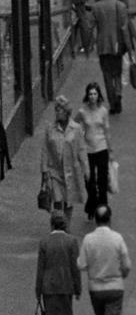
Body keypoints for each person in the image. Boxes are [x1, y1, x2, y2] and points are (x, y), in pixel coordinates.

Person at [77, 205, 130, 315]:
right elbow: (127, 266)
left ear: (96, 221)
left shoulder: (88, 239)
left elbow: (81, 265)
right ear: (110, 219)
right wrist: (122, 274)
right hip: (115, 288)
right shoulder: (117, 238)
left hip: (96, 289)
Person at [36, 210, 82, 315]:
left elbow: (40, 268)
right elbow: (75, 267)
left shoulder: (44, 242)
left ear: (51, 224)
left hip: (48, 285)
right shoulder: (71, 241)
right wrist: (78, 288)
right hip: (65, 283)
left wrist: (38, 290)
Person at [41, 94, 88, 228]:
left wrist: (86, 171)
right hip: (54, 171)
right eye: (55, 110)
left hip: (70, 170)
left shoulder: (76, 129)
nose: (57, 113)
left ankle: (66, 226)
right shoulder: (50, 128)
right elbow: (45, 150)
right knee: (57, 199)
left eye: (59, 110)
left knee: (69, 200)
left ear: (67, 112)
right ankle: (55, 227)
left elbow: (82, 150)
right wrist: (44, 171)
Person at [73, 82, 114, 218]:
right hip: (88, 150)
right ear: (87, 95)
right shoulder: (82, 112)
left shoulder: (103, 111)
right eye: (90, 94)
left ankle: (103, 211)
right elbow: (74, 125)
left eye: (95, 94)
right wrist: (79, 139)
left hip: (101, 148)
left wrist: (111, 150)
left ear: (98, 95)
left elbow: (107, 131)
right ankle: (92, 206)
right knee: (89, 181)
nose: (92, 97)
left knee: (102, 182)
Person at [93, 0, 133, 115]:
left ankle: (112, 103)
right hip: (117, 46)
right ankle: (118, 95)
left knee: (107, 75)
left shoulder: (96, 6)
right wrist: (129, 47)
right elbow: (124, 29)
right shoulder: (121, 6)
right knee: (117, 73)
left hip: (103, 46)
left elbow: (92, 25)